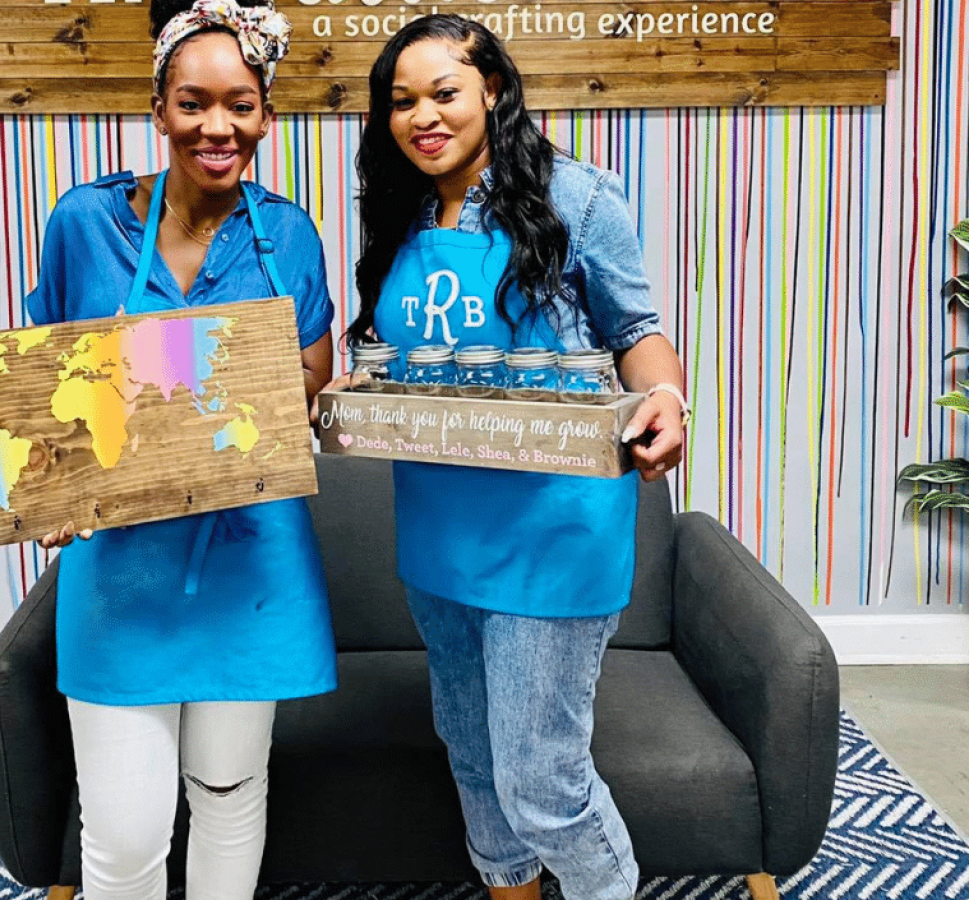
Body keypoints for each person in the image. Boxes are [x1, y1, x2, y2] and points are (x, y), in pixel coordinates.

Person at [345, 15, 688, 900]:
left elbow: (638, 334)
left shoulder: (578, 197)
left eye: (444, 92)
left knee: (541, 786)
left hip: (552, 529)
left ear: (493, 90)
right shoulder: (398, 210)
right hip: (440, 529)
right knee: (474, 758)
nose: (423, 115)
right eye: (402, 101)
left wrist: (666, 399)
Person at [24, 1, 337, 898]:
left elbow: (312, 368)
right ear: (158, 109)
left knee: (230, 793)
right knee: (123, 834)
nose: (218, 126)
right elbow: (43, 379)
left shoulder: (290, 235)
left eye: (240, 104)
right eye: (194, 103)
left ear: (265, 117)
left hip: (253, 563)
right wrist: (47, 488)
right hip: (121, 569)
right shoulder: (84, 224)